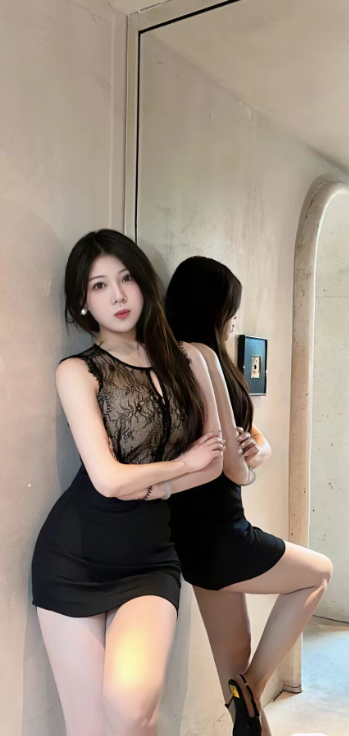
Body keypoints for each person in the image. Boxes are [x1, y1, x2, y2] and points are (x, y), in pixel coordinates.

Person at [31, 230, 225, 736]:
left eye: (126, 279)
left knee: (131, 709)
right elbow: (109, 480)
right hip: (72, 559)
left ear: (144, 283)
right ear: (83, 301)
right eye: (99, 286)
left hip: (149, 560)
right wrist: (180, 467)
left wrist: (162, 488)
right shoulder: (77, 371)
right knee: (90, 728)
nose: (117, 295)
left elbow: (214, 462)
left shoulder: (189, 360)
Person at [164, 256, 334, 736]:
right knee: (318, 573)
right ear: (211, 307)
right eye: (230, 309)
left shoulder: (174, 360)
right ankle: (252, 685)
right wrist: (248, 467)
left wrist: (255, 452)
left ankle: (245, 697)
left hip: (190, 535)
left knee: (235, 686)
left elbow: (253, 439)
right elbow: (234, 467)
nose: (234, 318)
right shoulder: (201, 355)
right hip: (223, 528)